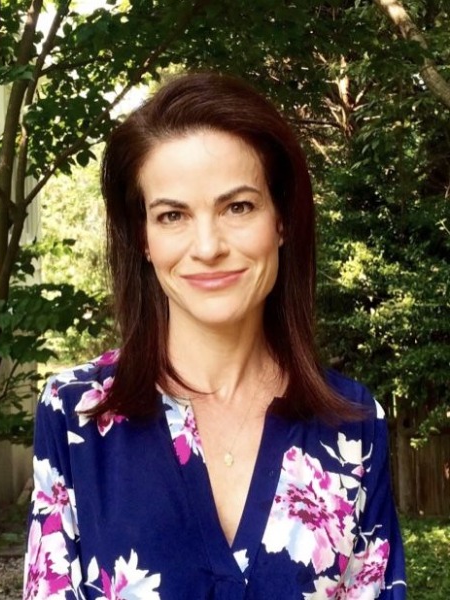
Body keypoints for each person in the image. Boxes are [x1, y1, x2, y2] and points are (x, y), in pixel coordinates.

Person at [23, 72, 406, 599]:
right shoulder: (76, 414)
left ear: (282, 219)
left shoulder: (353, 426)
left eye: (238, 207)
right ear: (143, 238)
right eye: (172, 215)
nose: (207, 247)